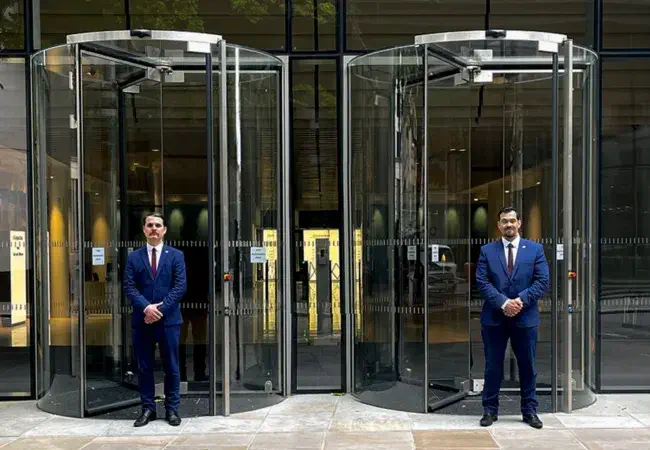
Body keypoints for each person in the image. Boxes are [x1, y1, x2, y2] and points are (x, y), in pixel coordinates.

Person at [475, 206, 549, 429]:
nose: (508, 225)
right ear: (498, 226)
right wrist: (504, 303)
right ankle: (489, 410)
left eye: (512, 221)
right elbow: (482, 281)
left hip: (525, 318)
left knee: (528, 365)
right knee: (492, 366)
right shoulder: (487, 251)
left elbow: (542, 281)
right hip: (494, 319)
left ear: (519, 223)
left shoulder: (535, 249)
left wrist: (520, 301)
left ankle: (529, 411)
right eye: (504, 221)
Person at [124, 213, 187, 427]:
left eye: (157, 225)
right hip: (142, 321)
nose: (153, 229)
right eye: (149, 225)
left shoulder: (176, 255)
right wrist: (146, 308)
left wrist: (159, 309)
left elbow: (180, 286)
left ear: (164, 230)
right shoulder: (134, 257)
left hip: (168, 321)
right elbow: (129, 287)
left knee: (172, 366)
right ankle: (148, 409)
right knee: (144, 367)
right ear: (144, 229)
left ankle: (172, 409)